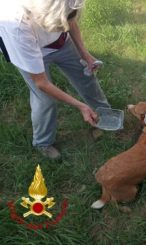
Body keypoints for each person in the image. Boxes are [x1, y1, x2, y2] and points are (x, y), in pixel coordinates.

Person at [0, 0, 111, 160]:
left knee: (85, 75)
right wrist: (80, 106)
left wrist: (84, 54)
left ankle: (104, 115)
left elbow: (69, 20)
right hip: (29, 47)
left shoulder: (61, 4)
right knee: (45, 99)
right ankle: (43, 143)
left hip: (60, 44)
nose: (65, 27)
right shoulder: (16, 25)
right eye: (61, 24)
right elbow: (42, 83)